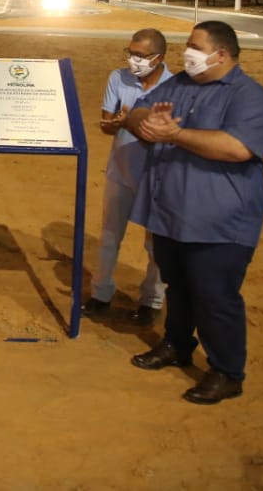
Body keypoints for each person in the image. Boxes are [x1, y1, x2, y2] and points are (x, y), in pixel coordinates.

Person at [125, 20, 263, 405]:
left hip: (218, 220)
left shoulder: (248, 96)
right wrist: (146, 124)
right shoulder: (178, 85)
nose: (186, 53)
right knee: (178, 288)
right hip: (171, 212)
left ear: (222, 54)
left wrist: (174, 134)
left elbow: (237, 147)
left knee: (215, 296)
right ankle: (177, 344)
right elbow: (135, 113)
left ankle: (227, 371)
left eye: (195, 46)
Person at [82, 28, 173, 325]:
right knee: (109, 236)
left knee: (155, 244)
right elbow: (105, 124)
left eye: (141, 56)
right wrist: (119, 123)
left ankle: (151, 301)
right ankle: (100, 294)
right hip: (121, 169)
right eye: (131, 53)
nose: (134, 61)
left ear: (159, 58)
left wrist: (134, 122)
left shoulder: (175, 87)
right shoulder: (118, 78)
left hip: (159, 176)